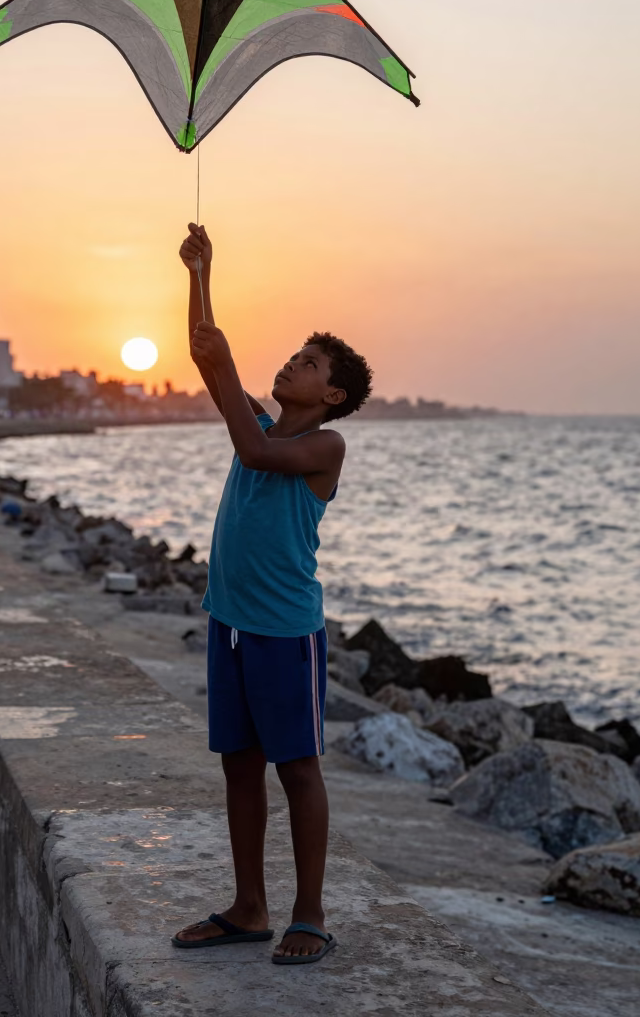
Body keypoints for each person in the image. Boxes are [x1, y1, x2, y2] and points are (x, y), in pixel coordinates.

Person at [172, 222, 372, 965]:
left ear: (334, 393)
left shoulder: (323, 447)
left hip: (286, 632)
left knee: (298, 768)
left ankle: (309, 913)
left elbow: (255, 450)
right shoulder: (257, 420)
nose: (292, 363)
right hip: (228, 624)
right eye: (292, 354)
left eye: (309, 362)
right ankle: (248, 906)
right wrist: (200, 271)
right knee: (237, 763)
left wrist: (223, 366)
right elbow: (204, 347)